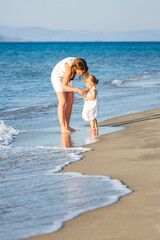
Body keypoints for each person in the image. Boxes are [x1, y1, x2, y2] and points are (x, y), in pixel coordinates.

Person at [51, 57, 89, 133]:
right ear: (75, 68)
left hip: (68, 77)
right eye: (79, 72)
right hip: (57, 76)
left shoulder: (83, 67)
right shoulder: (68, 68)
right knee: (63, 101)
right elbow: (64, 86)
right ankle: (63, 127)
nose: (81, 74)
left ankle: (67, 126)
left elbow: (87, 79)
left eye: (82, 72)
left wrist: (88, 89)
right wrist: (77, 89)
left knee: (71, 100)